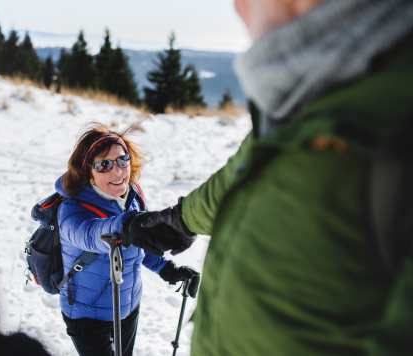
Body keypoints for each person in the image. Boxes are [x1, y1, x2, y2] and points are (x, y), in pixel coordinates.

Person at [120, 0, 413, 355]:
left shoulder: (389, 119)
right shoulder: (303, 104)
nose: (237, 8)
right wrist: (181, 219)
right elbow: (235, 176)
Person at [56, 123, 200, 356]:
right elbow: (91, 235)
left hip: (127, 307)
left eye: (123, 160)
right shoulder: (72, 210)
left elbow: (139, 243)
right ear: (87, 173)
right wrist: (128, 225)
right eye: (104, 165)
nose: (117, 171)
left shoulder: (132, 198)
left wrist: (167, 269)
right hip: (87, 316)